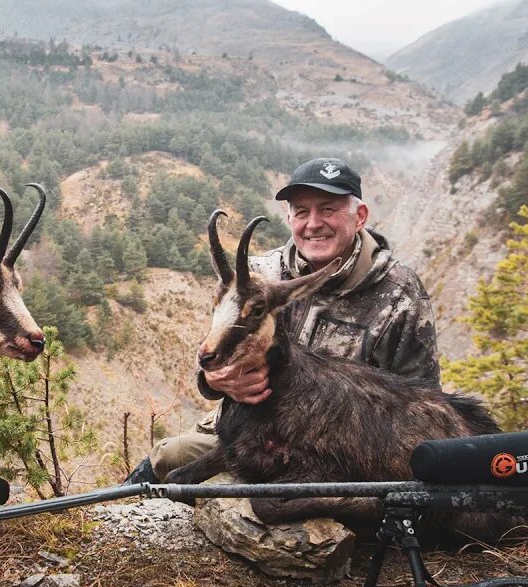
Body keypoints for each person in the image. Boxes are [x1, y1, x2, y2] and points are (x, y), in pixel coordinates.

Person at [126, 157, 440, 485]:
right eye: (302, 212)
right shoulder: (259, 277)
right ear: (289, 218)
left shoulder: (399, 293)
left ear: (359, 216)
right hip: (251, 428)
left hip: (342, 445)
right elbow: (215, 353)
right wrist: (218, 380)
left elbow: (423, 405)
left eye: (328, 209)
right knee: (169, 457)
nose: (313, 223)